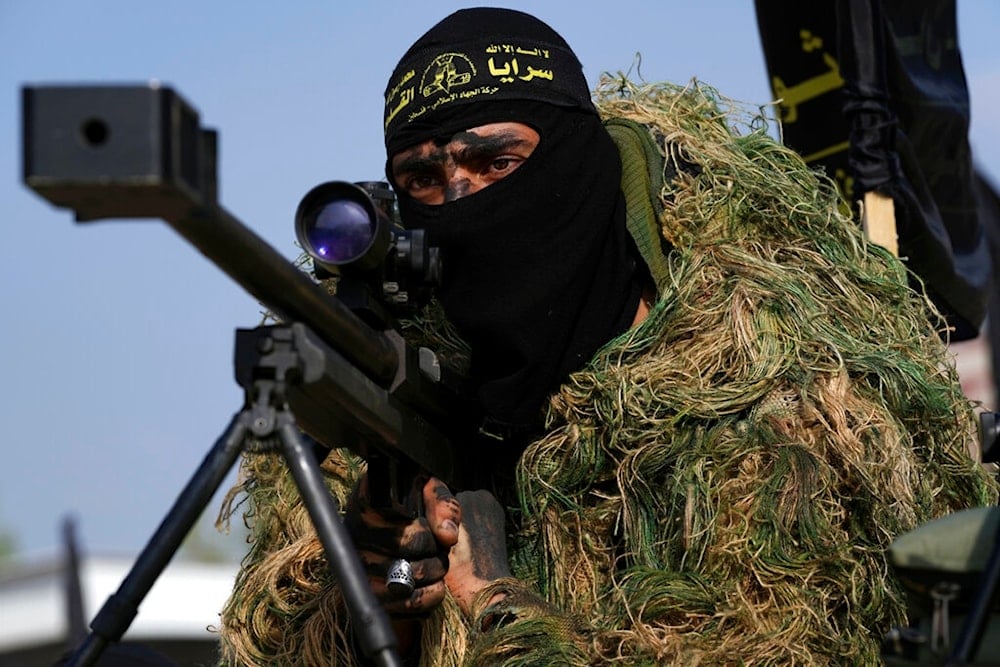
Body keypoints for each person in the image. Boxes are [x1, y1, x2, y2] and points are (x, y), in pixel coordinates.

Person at [217, 8, 996, 665]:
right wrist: (368, 573)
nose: (460, 203)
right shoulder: (375, 368)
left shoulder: (760, 387)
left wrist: (496, 611)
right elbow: (272, 645)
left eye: (496, 161)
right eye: (423, 179)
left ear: (573, 162)